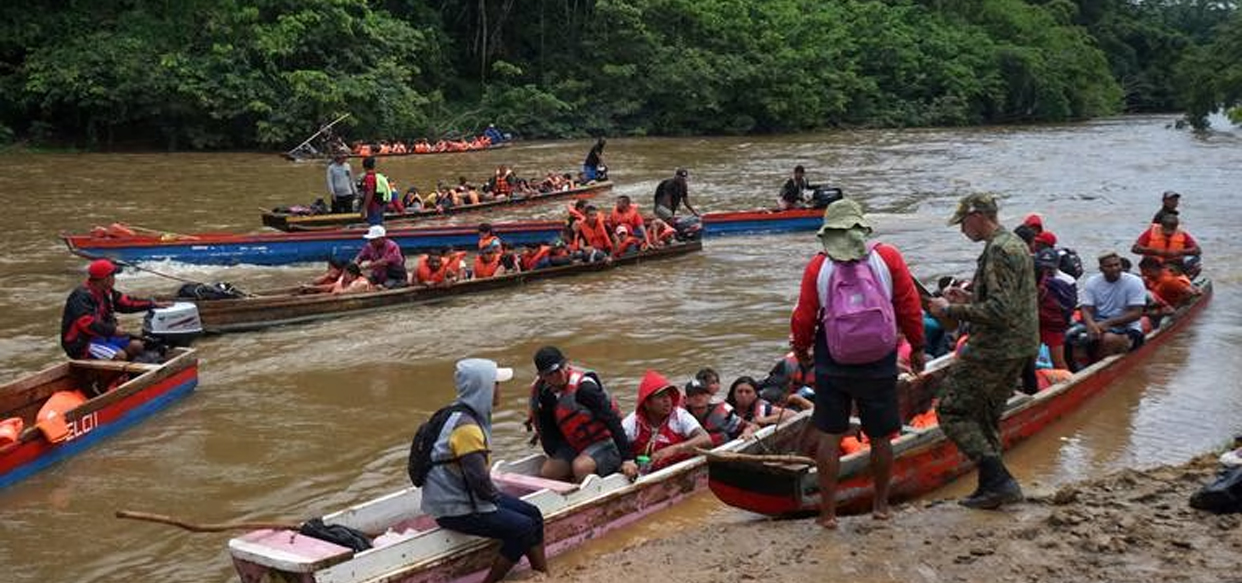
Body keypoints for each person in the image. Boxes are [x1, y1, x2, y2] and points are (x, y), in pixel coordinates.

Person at [790, 198, 926, 528]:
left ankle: (828, 514)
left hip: (833, 361)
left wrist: (803, 351)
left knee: (830, 436)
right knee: (881, 437)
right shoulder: (887, 257)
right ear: (861, 227)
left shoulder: (818, 267)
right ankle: (881, 507)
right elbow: (909, 305)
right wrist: (918, 347)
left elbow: (804, 316)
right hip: (879, 359)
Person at [927, 192, 1039, 510]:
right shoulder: (1015, 244)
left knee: (951, 410)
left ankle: (999, 480)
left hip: (996, 345)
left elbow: (1001, 309)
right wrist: (968, 299)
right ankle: (992, 486)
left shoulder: (1000, 249)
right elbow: (1009, 300)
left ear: (977, 216)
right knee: (986, 416)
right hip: (1020, 344)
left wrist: (952, 310)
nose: (963, 230)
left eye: (963, 222)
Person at [421, 358, 548, 583]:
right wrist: (497, 501)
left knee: (534, 514)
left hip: (459, 499)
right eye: (496, 385)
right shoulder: (467, 428)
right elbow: (478, 481)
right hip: (456, 508)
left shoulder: (456, 413)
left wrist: (498, 500)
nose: (499, 390)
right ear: (483, 388)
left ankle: (542, 574)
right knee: (523, 528)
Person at [527, 346, 638, 482]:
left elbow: (612, 420)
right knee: (549, 473)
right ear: (542, 376)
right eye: (552, 373)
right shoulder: (543, 394)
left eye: (562, 367)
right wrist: (557, 456)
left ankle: (594, 492)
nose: (560, 374)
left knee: (581, 467)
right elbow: (549, 432)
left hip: (606, 440)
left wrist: (628, 458)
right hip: (576, 443)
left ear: (567, 363)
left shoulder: (585, 389)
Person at [60, 259, 167, 360]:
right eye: (113, 275)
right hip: (82, 343)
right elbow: (87, 324)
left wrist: (153, 304)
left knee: (137, 346)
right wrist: (113, 330)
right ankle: (102, 378)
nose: (114, 278)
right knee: (120, 356)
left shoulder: (107, 291)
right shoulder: (80, 296)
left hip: (103, 336)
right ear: (105, 278)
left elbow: (127, 303)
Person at [621, 370, 713, 471]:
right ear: (647, 404)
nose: (667, 400)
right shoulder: (633, 421)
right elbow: (616, 445)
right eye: (661, 396)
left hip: (681, 472)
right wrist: (626, 462)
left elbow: (706, 439)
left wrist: (674, 449)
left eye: (668, 395)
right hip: (646, 474)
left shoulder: (679, 416)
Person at [1079, 251, 1147, 359]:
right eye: (1109, 266)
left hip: (1127, 325)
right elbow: (1086, 309)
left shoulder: (1134, 281)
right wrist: (1091, 324)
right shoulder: (1092, 282)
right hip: (1099, 321)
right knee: (1072, 337)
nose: (1115, 268)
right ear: (1101, 269)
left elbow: (1137, 313)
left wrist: (1107, 323)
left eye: (1117, 265)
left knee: (1108, 339)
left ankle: (1100, 365)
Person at [1035, 248, 1076, 370]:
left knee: (1058, 362)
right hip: (1035, 323)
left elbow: (1070, 306)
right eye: (1044, 268)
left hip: (1055, 324)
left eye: (1050, 268)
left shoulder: (1066, 281)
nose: (1046, 271)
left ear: (1057, 265)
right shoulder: (1034, 276)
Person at [683, 379, 754, 445]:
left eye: (702, 394)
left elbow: (750, 425)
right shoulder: (682, 417)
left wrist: (748, 431)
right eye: (693, 395)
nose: (698, 397)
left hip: (725, 449)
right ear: (687, 400)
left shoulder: (721, 414)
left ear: (710, 397)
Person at [1131, 213, 1201, 267]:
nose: (1168, 234)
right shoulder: (1151, 232)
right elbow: (1135, 248)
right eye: (1165, 230)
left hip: (1175, 267)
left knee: (1195, 260)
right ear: (1161, 226)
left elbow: (1197, 250)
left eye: (1171, 230)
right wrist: (1155, 251)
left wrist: (1179, 252)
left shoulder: (1182, 234)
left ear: (1176, 227)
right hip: (1153, 266)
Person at [326, 149, 358, 214]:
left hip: (348, 193)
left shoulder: (347, 166)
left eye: (345, 157)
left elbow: (351, 179)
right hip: (337, 194)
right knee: (336, 213)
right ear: (338, 157)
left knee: (349, 212)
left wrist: (355, 191)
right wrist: (332, 193)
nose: (344, 159)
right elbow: (330, 182)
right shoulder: (331, 168)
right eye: (343, 157)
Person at [358, 156, 385, 226]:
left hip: (373, 206)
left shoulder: (369, 177)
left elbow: (370, 192)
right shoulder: (377, 175)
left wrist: (364, 208)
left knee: (374, 225)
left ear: (364, 166)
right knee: (379, 224)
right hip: (380, 204)